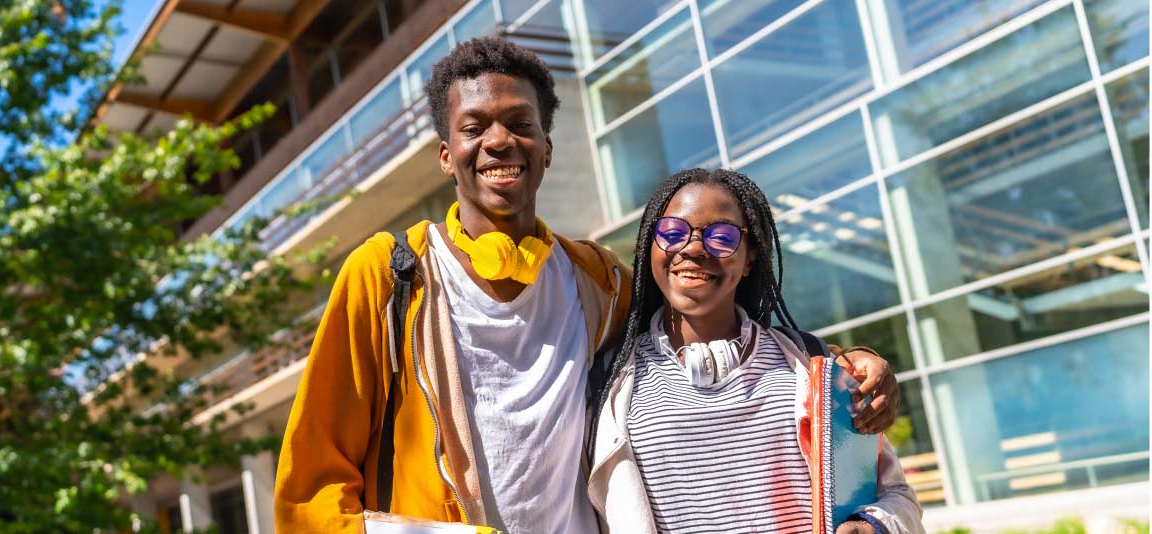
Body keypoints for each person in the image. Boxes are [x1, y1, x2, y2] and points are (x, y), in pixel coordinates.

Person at [274, 38, 903, 534]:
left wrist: (855, 364)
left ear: (547, 149)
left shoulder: (596, 282)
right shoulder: (388, 275)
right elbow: (310, 492)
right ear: (446, 154)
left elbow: (704, 314)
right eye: (474, 128)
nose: (499, 141)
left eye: (520, 123)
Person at [586, 168, 923, 534]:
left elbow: (896, 495)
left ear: (749, 258)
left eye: (722, 236)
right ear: (649, 247)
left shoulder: (811, 366)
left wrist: (870, 526)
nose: (694, 248)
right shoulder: (609, 381)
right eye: (672, 232)